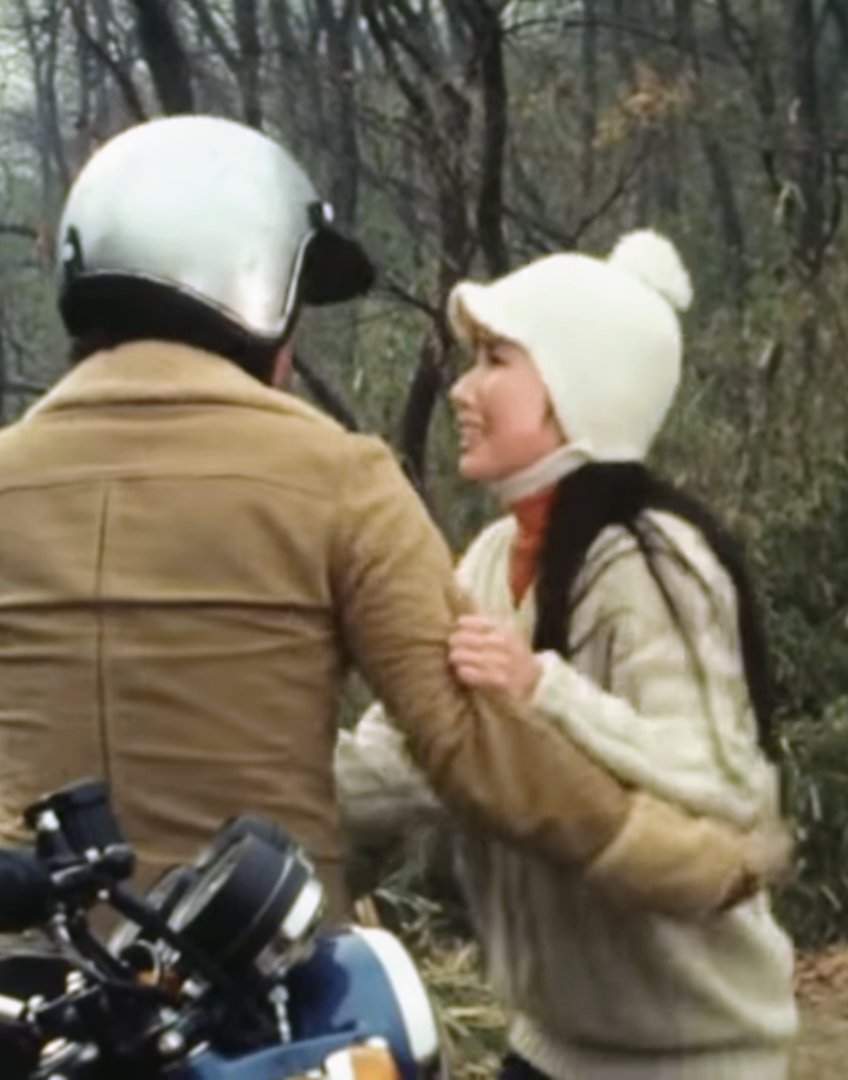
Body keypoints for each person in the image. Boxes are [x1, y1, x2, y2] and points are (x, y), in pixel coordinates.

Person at [0, 116, 789, 930]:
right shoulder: (340, 477)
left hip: (40, 983)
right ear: (251, 296)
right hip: (258, 978)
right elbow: (472, 751)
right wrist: (697, 865)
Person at [337, 230, 798, 1078]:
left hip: (691, 1061)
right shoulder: (485, 563)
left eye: (495, 360)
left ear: (579, 386)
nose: (462, 390)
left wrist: (545, 691)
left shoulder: (654, 563)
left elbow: (727, 783)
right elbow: (400, 757)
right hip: (548, 1047)